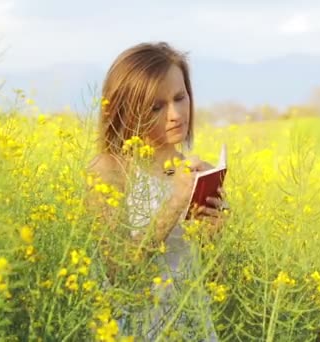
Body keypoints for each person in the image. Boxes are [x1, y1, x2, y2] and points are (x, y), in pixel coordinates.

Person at [86, 41, 227, 341]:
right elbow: (118, 269)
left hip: (194, 328)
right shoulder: (109, 170)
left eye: (180, 97)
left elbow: (214, 282)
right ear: (127, 110)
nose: (175, 114)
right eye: (156, 106)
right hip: (135, 330)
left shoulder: (199, 171)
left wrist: (214, 237)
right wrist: (176, 200)